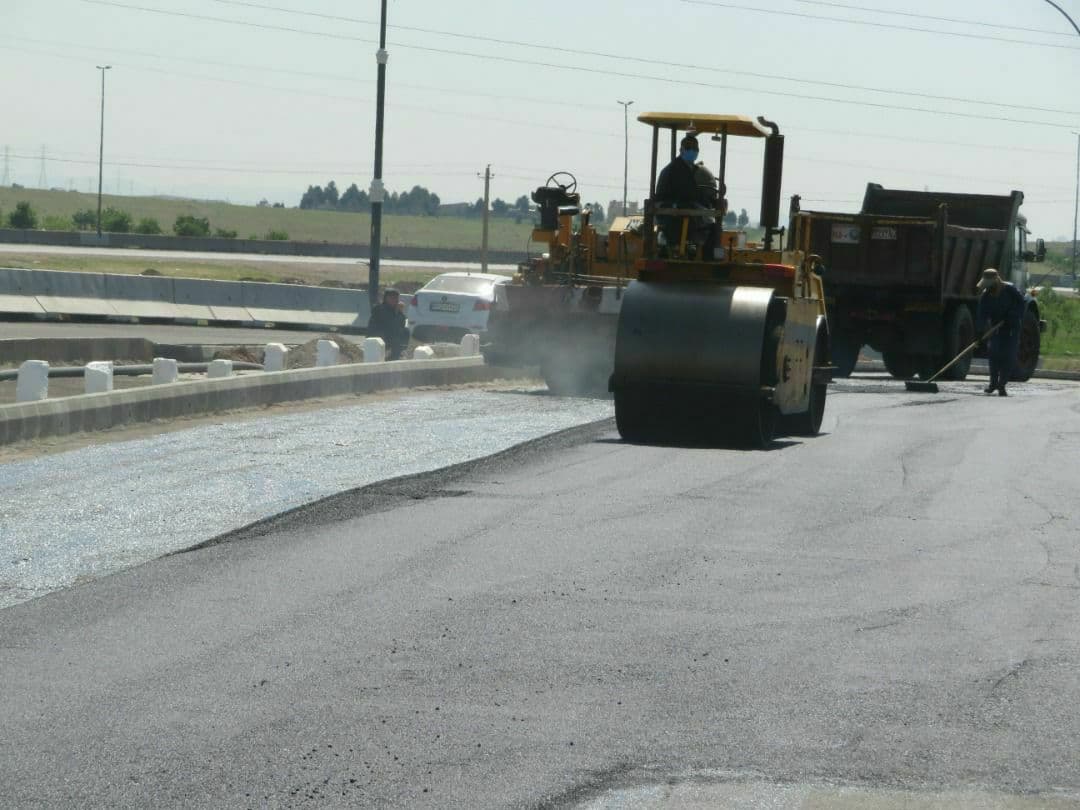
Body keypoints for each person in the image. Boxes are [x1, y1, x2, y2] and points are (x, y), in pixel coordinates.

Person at [654, 134, 717, 257]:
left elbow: (691, 192)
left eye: (695, 148)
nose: (692, 151)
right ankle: (706, 257)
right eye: (689, 147)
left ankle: (691, 248)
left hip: (674, 207)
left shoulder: (684, 167)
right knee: (712, 226)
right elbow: (690, 193)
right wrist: (710, 202)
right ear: (681, 150)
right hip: (671, 211)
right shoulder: (678, 169)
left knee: (701, 214)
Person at [974, 268, 1025, 396]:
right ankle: (993, 384)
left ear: (996, 281)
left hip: (1011, 328)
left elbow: (1021, 304)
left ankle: (1001, 385)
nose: (987, 287)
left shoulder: (1010, 290)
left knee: (1008, 356)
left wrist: (1013, 315)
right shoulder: (986, 296)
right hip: (996, 329)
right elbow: (982, 315)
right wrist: (979, 333)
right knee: (994, 354)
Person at [367, 288, 410, 360]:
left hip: (390, 339)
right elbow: (390, 324)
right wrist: (397, 312)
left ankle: (399, 352)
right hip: (378, 339)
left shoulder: (395, 309)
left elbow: (401, 324)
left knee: (406, 331)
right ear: (386, 298)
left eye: (396, 298)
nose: (395, 300)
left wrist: (400, 313)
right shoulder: (379, 309)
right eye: (392, 298)